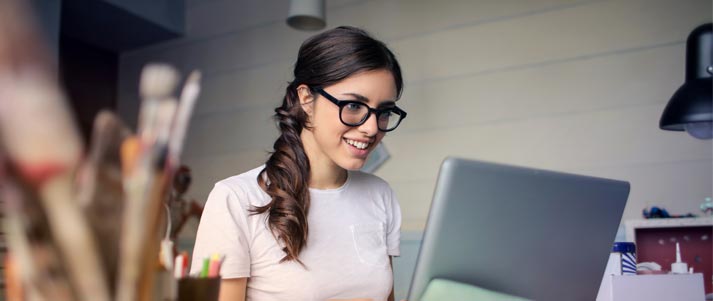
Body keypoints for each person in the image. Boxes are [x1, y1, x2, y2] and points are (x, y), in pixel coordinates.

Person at [190, 26, 407, 301]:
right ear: (306, 99)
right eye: (353, 106)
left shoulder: (380, 195)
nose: (372, 128)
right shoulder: (234, 198)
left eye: (384, 111)